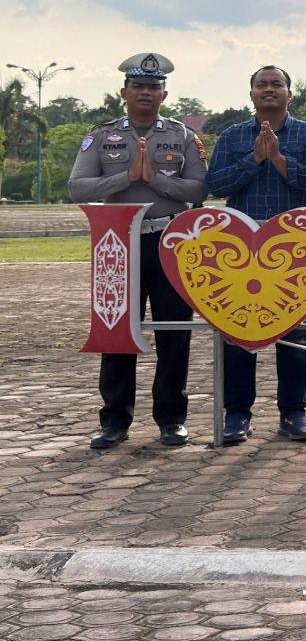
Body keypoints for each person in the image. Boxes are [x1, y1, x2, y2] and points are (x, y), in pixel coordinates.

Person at [69, 53, 207, 449]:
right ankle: (114, 420)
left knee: (173, 331)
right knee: (116, 330)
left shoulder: (181, 136)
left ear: (164, 93)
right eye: (138, 86)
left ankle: (171, 418)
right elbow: (78, 187)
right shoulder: (102, 136)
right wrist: (126, 178)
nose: (146, 93)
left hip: (169, 241)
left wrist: (157, 181)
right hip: (117, 242)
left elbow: (199, 190)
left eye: (153, 87)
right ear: (124, 92)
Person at [206, 66, 306, 444]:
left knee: (295, 333)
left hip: (296, 249)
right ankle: (237, 416)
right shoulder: (232, 136)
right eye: (261, 84)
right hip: (240, 251)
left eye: (276, 84)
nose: (269, 90)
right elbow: (215, 185)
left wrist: (279, 159)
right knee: (237, 331)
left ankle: (293, 413)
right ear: (251, 94)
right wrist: (255, 160)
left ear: (289, 93)